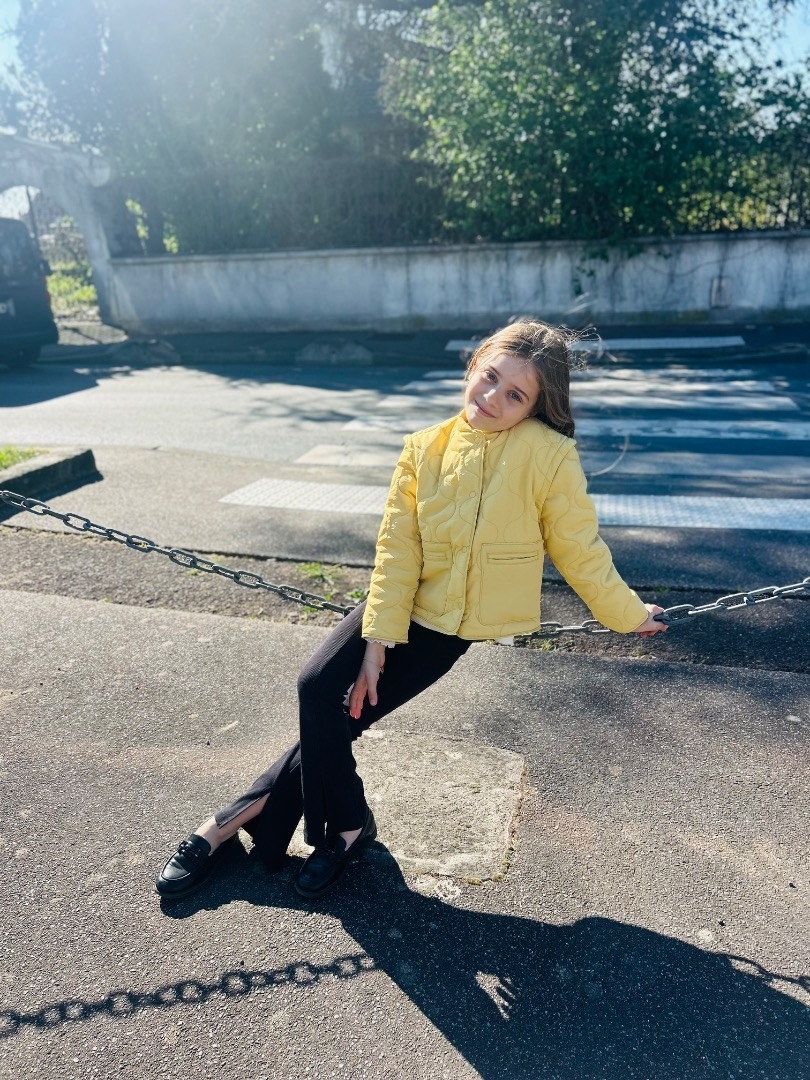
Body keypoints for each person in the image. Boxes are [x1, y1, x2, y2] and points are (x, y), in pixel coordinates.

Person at [155, 320, 667, 903]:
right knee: (316, 688)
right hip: (398, 605)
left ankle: (228, 827)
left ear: (534, 408)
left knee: (341, 720)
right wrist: (376, 642)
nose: (492, 398)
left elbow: (580, 549)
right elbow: (398, 550)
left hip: (448, 630)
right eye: (489, 377)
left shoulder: (548, 456)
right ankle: (341, 823)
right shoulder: (424, 448)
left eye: (514, 395)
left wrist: (628, 614)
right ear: (474, 364)